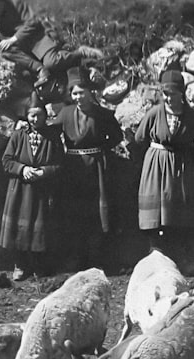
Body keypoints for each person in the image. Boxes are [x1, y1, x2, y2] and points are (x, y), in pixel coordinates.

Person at [135, 69, 194, 254]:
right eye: (165, 94)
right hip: (156, 165)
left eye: (173, 94)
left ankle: (179, 255)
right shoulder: (155, 113)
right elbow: (139, 138)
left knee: (178, 210)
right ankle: (155, 253)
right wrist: (151, 158)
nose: (169, 98)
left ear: (182, 93)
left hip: (181, 167)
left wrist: (191, 152)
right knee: (154, 211)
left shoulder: (192, 116)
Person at [55, 66, 123, 270]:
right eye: (74, 93)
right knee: (75, 211)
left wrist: (101, 150)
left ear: (90, 93)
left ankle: (97, 258)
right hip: (73, 168)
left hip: (97, 169)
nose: (78, 97)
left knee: (96, 211)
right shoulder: (65, 113)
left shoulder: (103, 115)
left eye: (81, 93)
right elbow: (50, 132)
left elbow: (117, 137)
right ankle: (76, 257)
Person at [0, 91, 65, 281]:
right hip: (20, 189)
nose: (36, 119)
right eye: (32, 115)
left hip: (42, 191)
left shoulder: (52, 138)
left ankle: (38, 265)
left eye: (39, 115)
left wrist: (45, 171)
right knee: (19, 228)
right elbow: (6, 161)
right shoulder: (18, 136)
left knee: (39, 228)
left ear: (45, 116)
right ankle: (20, 265)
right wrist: (22, 169)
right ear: (27, 117)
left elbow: (60, 164)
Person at [0, 0, 102, 90]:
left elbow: (33, 22)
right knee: (3, 49)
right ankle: (40, 70)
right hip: (20, 48)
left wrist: (14, 38)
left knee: (52, 63)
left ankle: (80, 52)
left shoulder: (17, 5)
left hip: (37, 39)